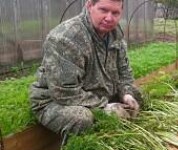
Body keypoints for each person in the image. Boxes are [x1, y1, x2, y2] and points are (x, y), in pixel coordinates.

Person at [29, 0, 141, 142]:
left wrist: (127, 94)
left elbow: (125, 73)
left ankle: (118, 140)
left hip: (97, 93)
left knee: (136, 95)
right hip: (56, 101)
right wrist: (104, 106)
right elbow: (64, 93)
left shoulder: (115, 35)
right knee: (82, 118)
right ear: (89, 6)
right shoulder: (66, 38)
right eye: (103, 10)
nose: (109, 17)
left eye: (115, 12)